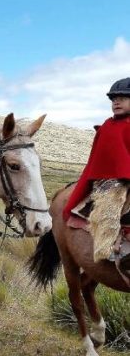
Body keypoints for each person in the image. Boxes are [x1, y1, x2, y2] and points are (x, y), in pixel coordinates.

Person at [63, 77, 130, 265]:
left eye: (122, 98)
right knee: (110, 207)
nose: (116, 101)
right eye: (113, 99)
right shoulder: (108, 127)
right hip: (110, 181)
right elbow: (97, 161)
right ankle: (106, 248)